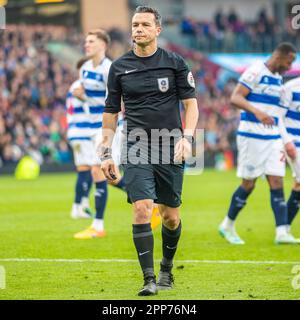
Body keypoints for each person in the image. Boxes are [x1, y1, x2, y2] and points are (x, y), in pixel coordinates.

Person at [100, 6, 199, 296]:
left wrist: (188, 138)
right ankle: (149, 279)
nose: (138, 29)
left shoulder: (175, 63)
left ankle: (167, 269)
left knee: (170, 216)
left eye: (144, 24)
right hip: (136, 143)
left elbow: (191, 105)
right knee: (142, 208)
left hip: (170, 143)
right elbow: (110, 112)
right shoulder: (118, 68)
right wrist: (106, 150)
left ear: (158, 29)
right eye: (135, 24)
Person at [219, 43, 299, 245]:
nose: (289, 67)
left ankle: (282, 232)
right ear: (279, 56)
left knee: (277, 180)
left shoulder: (278, 78)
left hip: (272, 138)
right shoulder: (256, 70)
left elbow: (276, 112)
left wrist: (283, 138)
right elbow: (235, 97)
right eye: (289, 62)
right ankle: (227, 225)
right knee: (249, 183)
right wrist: (257, 112)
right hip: (251, 135)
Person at [72, 29, 126, 239]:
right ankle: (149, 201)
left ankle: (98, 225)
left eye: (91, 41)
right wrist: (82, 96)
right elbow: (90, 97)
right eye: (86, 41)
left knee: (98, 170)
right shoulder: (84, 67)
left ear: (103, 45)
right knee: (111, 177)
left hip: (108, 128)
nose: (87, 45)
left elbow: (115, 100)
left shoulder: (109, 68)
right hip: (91, 126)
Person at [66, 58, 93, 220]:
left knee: (86, 170)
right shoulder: (79, 86)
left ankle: (81, 204)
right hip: (82, 132)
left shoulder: (76, 85)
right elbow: (90, 106)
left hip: (77, 132)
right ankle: (77, 206)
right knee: (87, 170)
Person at [283, 77, 300, 239]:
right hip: (294, 143)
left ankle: (284, 227)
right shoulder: (291, 87)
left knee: (298, 185)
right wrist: (285, 141)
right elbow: (278, 116)